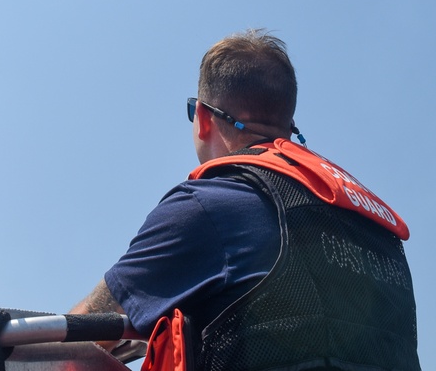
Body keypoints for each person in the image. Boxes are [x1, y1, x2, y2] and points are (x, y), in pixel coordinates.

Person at [73, 30, 421, 371]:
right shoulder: (371, 226)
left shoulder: (209, 207)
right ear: (288, 125)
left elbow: (82, 334)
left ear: (205, 118)